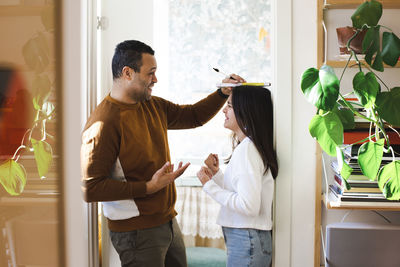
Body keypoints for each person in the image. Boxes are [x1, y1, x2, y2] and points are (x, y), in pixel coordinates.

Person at [81, 39, 245, 267]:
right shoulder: (104, 122)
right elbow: (90, 188)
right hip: (136, 232)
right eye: (151, 73)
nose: (155, 79)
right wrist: (149, 187)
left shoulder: (151, 105)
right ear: (128, 73)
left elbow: (193, 116)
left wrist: (221, 93)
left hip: (166, 221)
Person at [196, 85, 278, 267]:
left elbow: (248, 206)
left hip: (246, 238)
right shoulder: (248, 147)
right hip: (247, 238)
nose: (223, 110)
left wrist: (208, 185)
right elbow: (240, 193)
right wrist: (216, 175)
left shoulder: (247, 150)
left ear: (247, 111)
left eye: (230, 106)